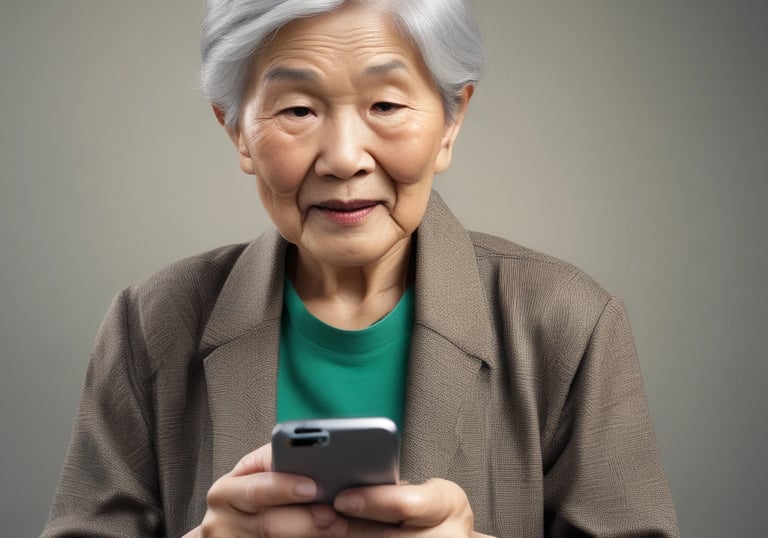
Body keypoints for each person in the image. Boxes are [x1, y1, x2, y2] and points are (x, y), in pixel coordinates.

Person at [42, 1, 680, 536]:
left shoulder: (567, 322)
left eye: (385, 105)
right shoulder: (150, 323)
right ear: (237, 130)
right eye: (297, 110)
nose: (345, 159)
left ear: (452, 122)